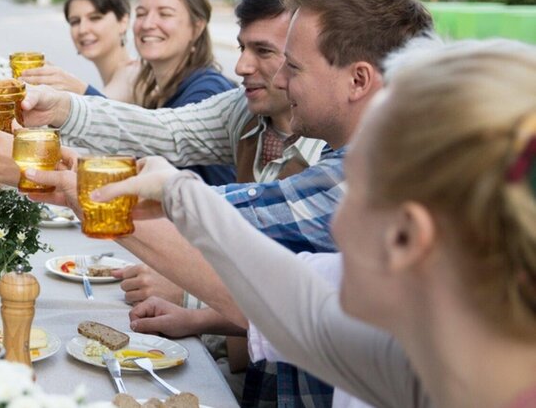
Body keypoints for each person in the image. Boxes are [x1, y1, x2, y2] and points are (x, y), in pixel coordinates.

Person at [16, 0, 435, 408]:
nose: (272, 77)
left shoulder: (369, 181)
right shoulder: (279, 122)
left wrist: (90, 188)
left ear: (358, 80)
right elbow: (296, 300)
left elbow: (232, 227)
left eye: (290, 65)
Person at [90, 40, 536, 408]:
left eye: (354, 188)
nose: (333, 219)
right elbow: (298, 307)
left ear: (407, 238)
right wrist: (175, 195)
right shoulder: (431, 348)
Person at [128, 0, 236, 184]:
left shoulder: (207, 91)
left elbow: (158, 142)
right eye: (141, 13)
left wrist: (81, 98)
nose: (148, 24)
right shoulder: (162, 92)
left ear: (196, 28)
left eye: (165, 14)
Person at [18, 0, 136, 101]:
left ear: (123, 22)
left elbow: (113, 114)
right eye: (75, 21)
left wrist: (76, 88)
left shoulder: (135, 74)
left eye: (95, 18)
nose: (82, 29)